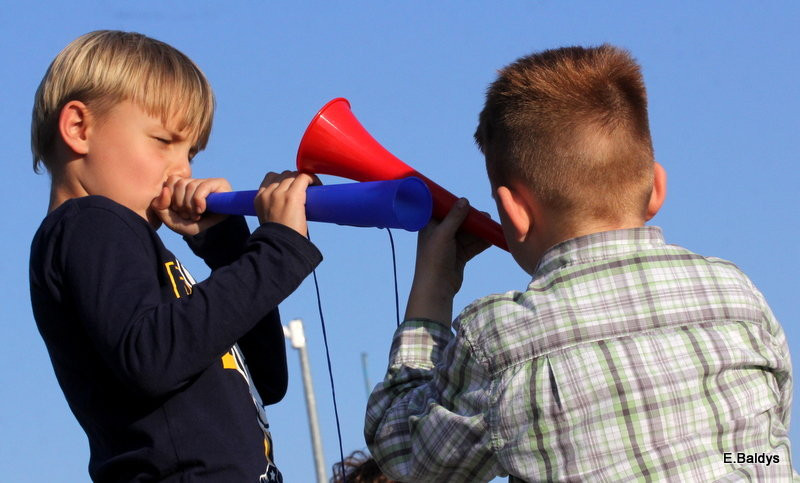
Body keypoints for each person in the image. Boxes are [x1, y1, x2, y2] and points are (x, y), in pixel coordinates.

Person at [364, 45, 796, 482]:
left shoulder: (497, 340)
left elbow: (406, 455)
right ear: (656, 188)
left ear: (512, 211)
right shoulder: (735, 293)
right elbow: (768, 437)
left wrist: (431, 293)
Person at [29, 30, 322, 482]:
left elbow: (265, 379)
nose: (183, 170)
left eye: (190, 152)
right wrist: (278, 251)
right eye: (163, 141)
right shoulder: (90, 222)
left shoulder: (137, 249)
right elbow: (151, 358)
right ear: (78, 128)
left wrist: (229, 249)